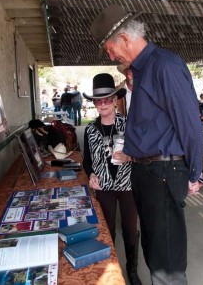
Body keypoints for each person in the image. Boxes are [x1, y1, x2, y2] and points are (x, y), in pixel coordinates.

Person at [90, 4, 203, 285]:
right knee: (153, 251)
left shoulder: (164, 66)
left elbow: (190, 124)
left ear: (125, 39)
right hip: (146, 173)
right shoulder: (141, 71)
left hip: (164, 172)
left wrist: (193, 172)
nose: (111, 55)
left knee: (166, 263)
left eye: (109, 48)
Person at [82, 73, 142, 285]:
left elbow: (143, 154)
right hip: (104, 187)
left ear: (116, 100)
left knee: (130, 230)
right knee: (107, 229)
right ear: (95, 104)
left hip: (127, 186)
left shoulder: (129, 125)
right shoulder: (89, 130)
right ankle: (111, 270)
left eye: (108, 99)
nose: (103, 104)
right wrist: (91, 174)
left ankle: (132, 272)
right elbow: (87, 161)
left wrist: (130, 156)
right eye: (99, 100)